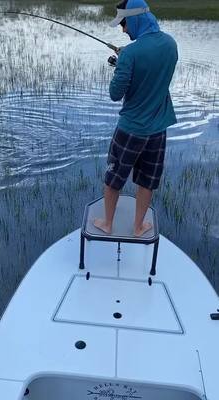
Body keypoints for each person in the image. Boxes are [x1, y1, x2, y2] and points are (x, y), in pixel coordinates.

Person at [93, 0, 178, 236]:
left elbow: (114, 94)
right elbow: (154, 74)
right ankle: (139, 226)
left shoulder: (130, 54)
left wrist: (122, 62)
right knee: (147, 180)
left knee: (113, 179)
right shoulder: (171, 44)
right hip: (158, 130)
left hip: (130, 129)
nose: (123, 29)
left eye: (124, 24)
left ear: (135, 19)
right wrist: (129, 58)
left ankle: (107, 224)